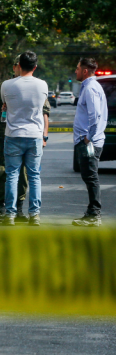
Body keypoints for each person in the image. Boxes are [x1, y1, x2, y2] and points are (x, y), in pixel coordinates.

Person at [0, 63, 51, 223]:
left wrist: (44, 136)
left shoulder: (36, 86)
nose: (18, 69)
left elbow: (44, 112)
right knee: (1, 171)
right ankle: (0, 208)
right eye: (15, 66)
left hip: (25, 136)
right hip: (4, 135)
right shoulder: (4, 86)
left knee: (23, 174)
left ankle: (17, 209)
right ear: (13, 67)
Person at [0, 51, 48, 226]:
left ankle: (10, 214)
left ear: (18, 65)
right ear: (35, 67)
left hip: (13, 136)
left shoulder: (6, 85)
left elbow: (5, 104)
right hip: (34, 136)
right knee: (35, 176)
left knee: (12, 175)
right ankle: (34, 214)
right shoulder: (42, 85)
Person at [72, 57, 107, 227]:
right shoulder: (89, 87)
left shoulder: (91, 88)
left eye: (78, 68)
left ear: (85, 71)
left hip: (89, 142)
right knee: (89, 177)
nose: (76, 71)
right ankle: (91, 213)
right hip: (88, 141)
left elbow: (95, 116)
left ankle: (94, 215)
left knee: (91, 177)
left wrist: (87, 138)